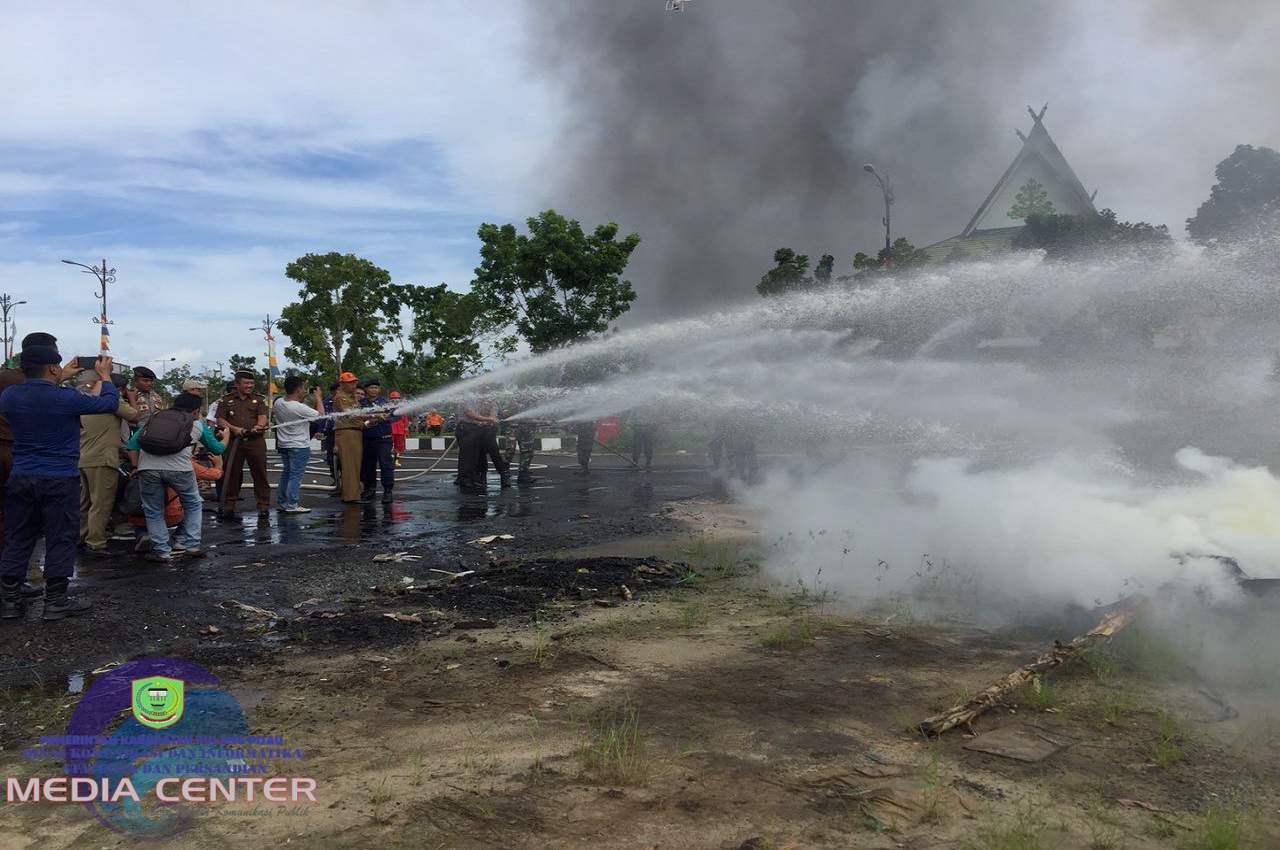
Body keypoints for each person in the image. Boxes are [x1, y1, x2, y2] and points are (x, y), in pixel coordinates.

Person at [0, 340, 118, 621]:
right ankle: (55, 602)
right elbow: (109, 403)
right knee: (60, 537)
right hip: (59, 477)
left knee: (18, 537)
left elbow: (36, 395)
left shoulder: (10, 396)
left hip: (22, 475)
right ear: (53, 367)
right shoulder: (65, 397)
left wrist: (58, 377)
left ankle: (9, 602)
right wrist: (105, 376)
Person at [125, 393, 224, 562]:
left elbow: (132, 445)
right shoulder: (197, 424)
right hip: (180, 470)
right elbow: (218, 449)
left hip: (148, 468)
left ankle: (161, 551)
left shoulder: (155, 418)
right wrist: (226, 437)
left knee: (153, 510)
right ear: (195, 411)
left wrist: (135, 467)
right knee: (193, 503)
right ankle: (190, 544)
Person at [78, 370, 139, 555]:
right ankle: (96, 542)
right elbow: (135, 416)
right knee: (101, 504)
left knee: (86, 503)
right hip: (103, 459)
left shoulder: (84, 401)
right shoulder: (111, 403)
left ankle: (82, 537)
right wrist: (131, 397)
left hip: (84, 458)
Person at [216, 371, 270, 519]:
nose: (249, 386)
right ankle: (229, 505)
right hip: (234, 442)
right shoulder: (226, 400)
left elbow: (263, 416)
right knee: (231, 473)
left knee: (260, 473)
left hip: (255, 441)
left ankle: (263, 505)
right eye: (246, 383)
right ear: (237, 384)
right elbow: (220, 420)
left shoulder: (258, 399)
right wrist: (235, 429)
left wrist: (259, 426)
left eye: (251, 383)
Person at [272, 376, 324, 513]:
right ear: (298, 389)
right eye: (303, 387)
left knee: (287, 473)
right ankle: (292, 504)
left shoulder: (278, 403)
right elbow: (321, 416)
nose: (304, 391)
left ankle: (283, 501)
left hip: (284, 444)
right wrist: (318, 397)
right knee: (295, 475)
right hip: (299, 445)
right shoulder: (298, 407)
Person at [457, 396, 508, 491]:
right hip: (469, 429)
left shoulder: (490, 398)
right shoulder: (468, 398)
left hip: (484, 430)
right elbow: (470, 414)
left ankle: (502, 475)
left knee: (493, 453)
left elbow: (493, 411)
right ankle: (467, 479)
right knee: (470, 455)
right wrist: (488, 420)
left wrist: (490, 419)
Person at [359, 380, 396, 503]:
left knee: (386, 464)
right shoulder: (360, 403)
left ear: (379, 390)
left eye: (376, 387)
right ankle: (369, 489)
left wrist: (387, 418)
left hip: (384, 438)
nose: (374, 390)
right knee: (367, 466)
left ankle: (388, 491)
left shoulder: (386, 402)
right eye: (371, 387)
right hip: (367, 438)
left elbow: (397, 415)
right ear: (366, 390)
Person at [332, 372, 364, 504]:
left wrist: (373, 417)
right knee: (349, 465)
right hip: (347, 433)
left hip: (355, 432)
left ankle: (353, 494)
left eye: (355, 382)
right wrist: (372, 416)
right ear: (342, 384)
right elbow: (351, 415)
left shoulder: (352, 397)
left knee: (355, 465)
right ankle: (350, 497)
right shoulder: (341, 397)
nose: (354, 385)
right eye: (350, 382)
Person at [388, 391, 408, 467]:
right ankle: (388, 461)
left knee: (399, 446)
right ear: (390, 399)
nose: (395, 400)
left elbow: (405, 419)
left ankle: (396, 461)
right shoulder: (387, 407)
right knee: (388, 446)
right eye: (393, 398)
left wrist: (406, 430)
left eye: (397, 398)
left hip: (400, 430)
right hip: (390, 429)